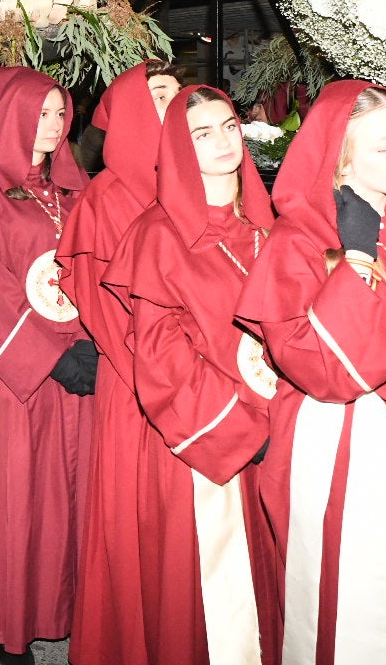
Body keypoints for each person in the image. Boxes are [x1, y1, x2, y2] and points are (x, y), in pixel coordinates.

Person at [237, 81, 386, 664]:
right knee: (367, 605)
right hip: (351, 437)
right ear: (341, 159)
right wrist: (357, 256)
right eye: (384, 147)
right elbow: (310, 362)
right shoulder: (302, 238)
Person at [105, 86, 282, 664]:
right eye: (201, 134)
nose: (222, 142)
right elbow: (161, 356)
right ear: (179, 148)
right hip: (213, 433)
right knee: (219, 585)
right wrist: (242, 430)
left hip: (280, 421)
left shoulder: (267, 224)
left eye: (229, 126)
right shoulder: (158, 234)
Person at [0, 68, 92, 663]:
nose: (53, 125)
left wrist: (98, 340)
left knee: (76, 490)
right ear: (14, 118)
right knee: (22, 491)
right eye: (43, 112)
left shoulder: (77, 188)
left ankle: (77, 606)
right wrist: (52, 358)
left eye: (62, 113)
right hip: (23, 366)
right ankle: (14, 624)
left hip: (83, 353)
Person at [57, 60, 174, 665]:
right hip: (139, 385)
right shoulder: (103, 200)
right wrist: (167, 379)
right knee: (135, 523)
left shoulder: (192, 184)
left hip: (192, 383)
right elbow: (104, 308)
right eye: (159, 95)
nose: (175, 104)